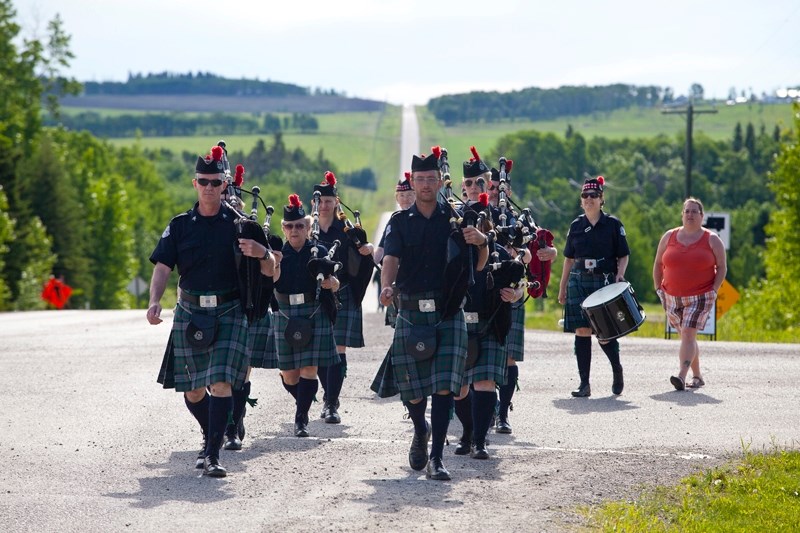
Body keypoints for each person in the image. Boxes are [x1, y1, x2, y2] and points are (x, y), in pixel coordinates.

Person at [147, 145, 276, 478]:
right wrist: (154, 300)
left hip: (229, 310)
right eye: (203, 181)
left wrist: (263, 252)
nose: (208, 187)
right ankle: (210, 433)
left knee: (220, 383)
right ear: (194, 183)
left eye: (215, 182)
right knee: (192, 389)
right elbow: (162, 266)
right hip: (190, 310)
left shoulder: (241, 226)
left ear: (225, 184)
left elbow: (271, 271)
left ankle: (213, 453)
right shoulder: (179, 226)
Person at [378, 148, 489, 481]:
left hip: (448, 310)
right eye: (420, 179)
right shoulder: (399, 222)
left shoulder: (459, 219)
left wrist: (481, 242)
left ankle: (437, 458)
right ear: (413, 182)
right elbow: (391, 260)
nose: (426, 185)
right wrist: (387, 286)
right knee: (412, 391)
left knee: (444, 387)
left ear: (441, 181)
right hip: (410, 310)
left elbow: (479, 265)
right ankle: (420, 427)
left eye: (431, 178)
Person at [452, 194, 525, 459]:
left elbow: (520, 285)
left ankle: (480, 441)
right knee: (458, 389)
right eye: (470, 220)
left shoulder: (501, 253)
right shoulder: (454, 250)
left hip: (490, 325)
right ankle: (469, 432)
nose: (474, 226)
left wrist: (514, 295)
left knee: (484, 384)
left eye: (480, 220)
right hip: (458, 324)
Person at [487, 165, 556, 433]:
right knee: (482, 355)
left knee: (508, 358)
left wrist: (549, 251)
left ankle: (503, 414)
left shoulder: (520, 219)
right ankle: (488, 407)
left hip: (514, 291)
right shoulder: (479, 214)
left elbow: (538, 247)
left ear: (509, 190)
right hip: (485, 294)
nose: (495, 192)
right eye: (491, 187)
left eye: (499, 187)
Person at [272, 194, 340, 437]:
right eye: (289, 226)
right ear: (283, 228)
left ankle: (301, 419)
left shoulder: (318, 251)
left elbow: (335, 280)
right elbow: (268, 281)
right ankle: (305, 399)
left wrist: (332, 283)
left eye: (300, 225)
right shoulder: (277, 253)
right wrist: (274, 264)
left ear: (309, 226)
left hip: (313, 311)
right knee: (289, 376)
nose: (294, 230)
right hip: (285, 313)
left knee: (309, 368)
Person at [557, 176, 629, 398]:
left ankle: (617, 369)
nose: (589, 199)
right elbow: (568, 259)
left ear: (601, 199)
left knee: (605, 333)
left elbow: (624, 254)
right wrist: (562, 287)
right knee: (582, 330)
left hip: (604, 281)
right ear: (581, 201)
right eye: (585, 196)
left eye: (593, 196)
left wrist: (619, 275)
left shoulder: (613, 225)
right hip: (578, 279)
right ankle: (584, 384)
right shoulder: (576, 226)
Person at [313, 171, 374, 424]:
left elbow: (362, 259)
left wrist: (367, 251)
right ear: (314, 202)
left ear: (336, 201)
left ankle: (331, 402)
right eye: (320, 201)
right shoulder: (309, 228)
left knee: (337, 348)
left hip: (344, 292)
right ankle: (329, 393)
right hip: (316, 293)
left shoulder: (347, 229)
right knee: (317, 350)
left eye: (329, 201)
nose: (324, 205)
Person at [653, 198, 727, 390]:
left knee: (687, 333)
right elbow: (658, 264)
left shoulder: (712, 239)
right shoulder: (669, 236)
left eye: (695, 211)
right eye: (687, 211)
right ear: (682, 214)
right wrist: (657, 288)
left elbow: (722, 267)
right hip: (671, 295)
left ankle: (681, 376)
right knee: (687, 337)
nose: (690, 215)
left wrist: (714, 289)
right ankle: (698, 376)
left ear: (702, 216)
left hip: (700, 295)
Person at [374, 172, 416, 327]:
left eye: (409, 194)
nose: (406, 199)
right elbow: (381, 248)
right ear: (397, 198)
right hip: (399, 278)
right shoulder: (394, 220)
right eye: (402, 195)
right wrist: (368, 263)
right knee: (400, 323)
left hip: (418, 274)